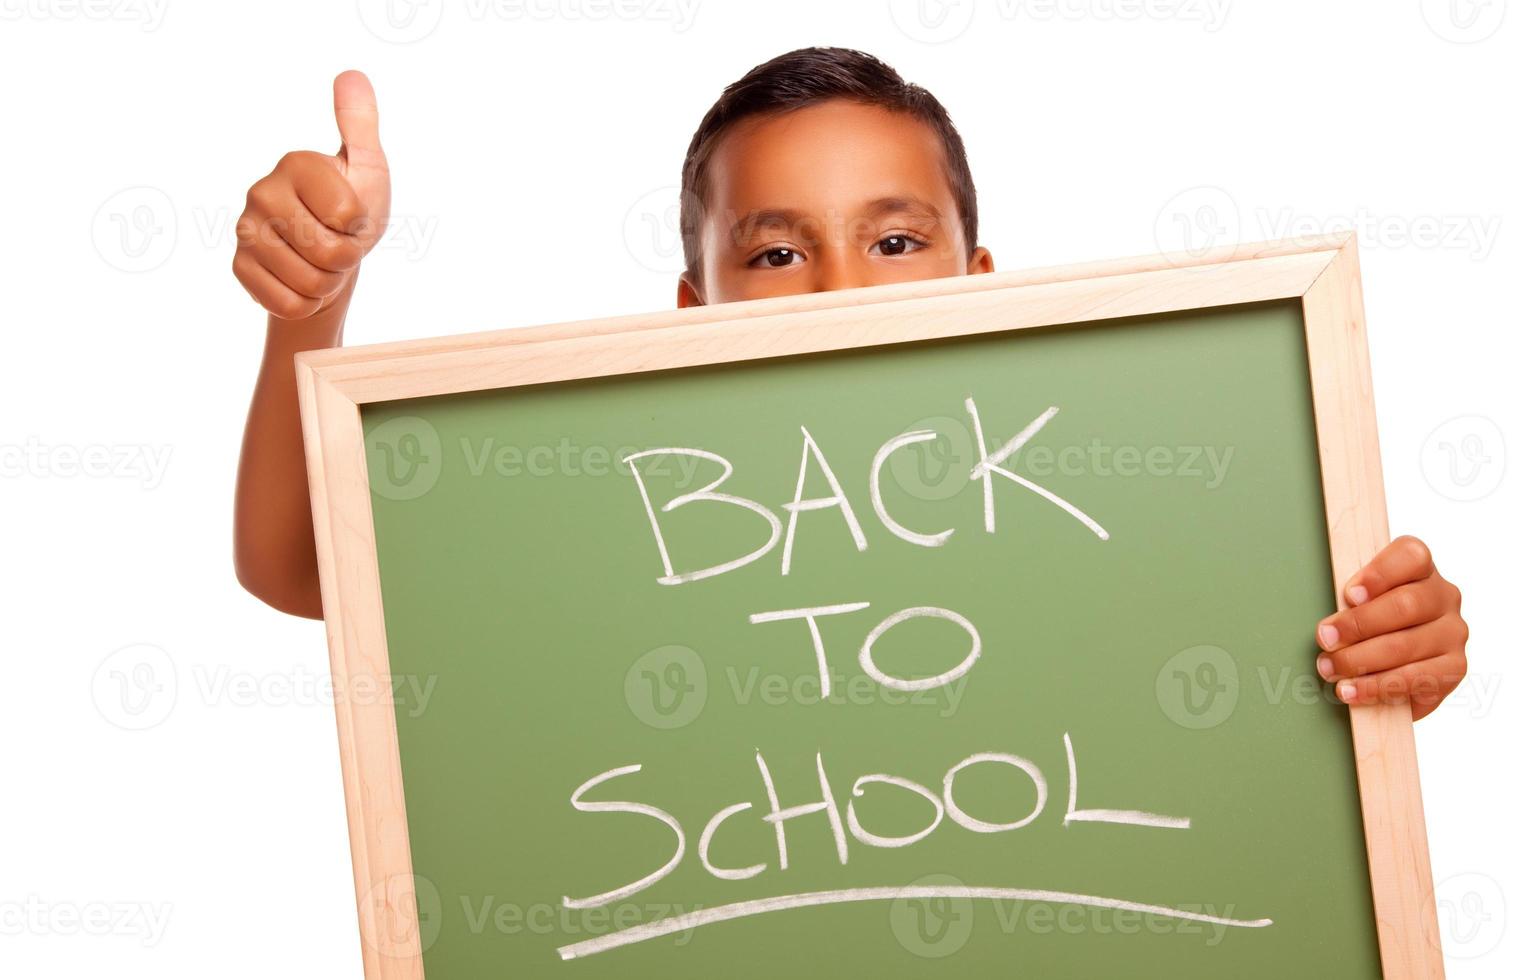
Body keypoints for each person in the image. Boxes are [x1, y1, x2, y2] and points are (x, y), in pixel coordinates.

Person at [231, 48, 1468, 719]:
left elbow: (1275, 662)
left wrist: (1387, 652)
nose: (836, 289)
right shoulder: (624, 506)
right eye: (774, 252)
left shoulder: (1118, 496)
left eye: (892, 240)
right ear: (692, 306)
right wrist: (311, 301)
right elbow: (297, 564)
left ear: (977, 275)